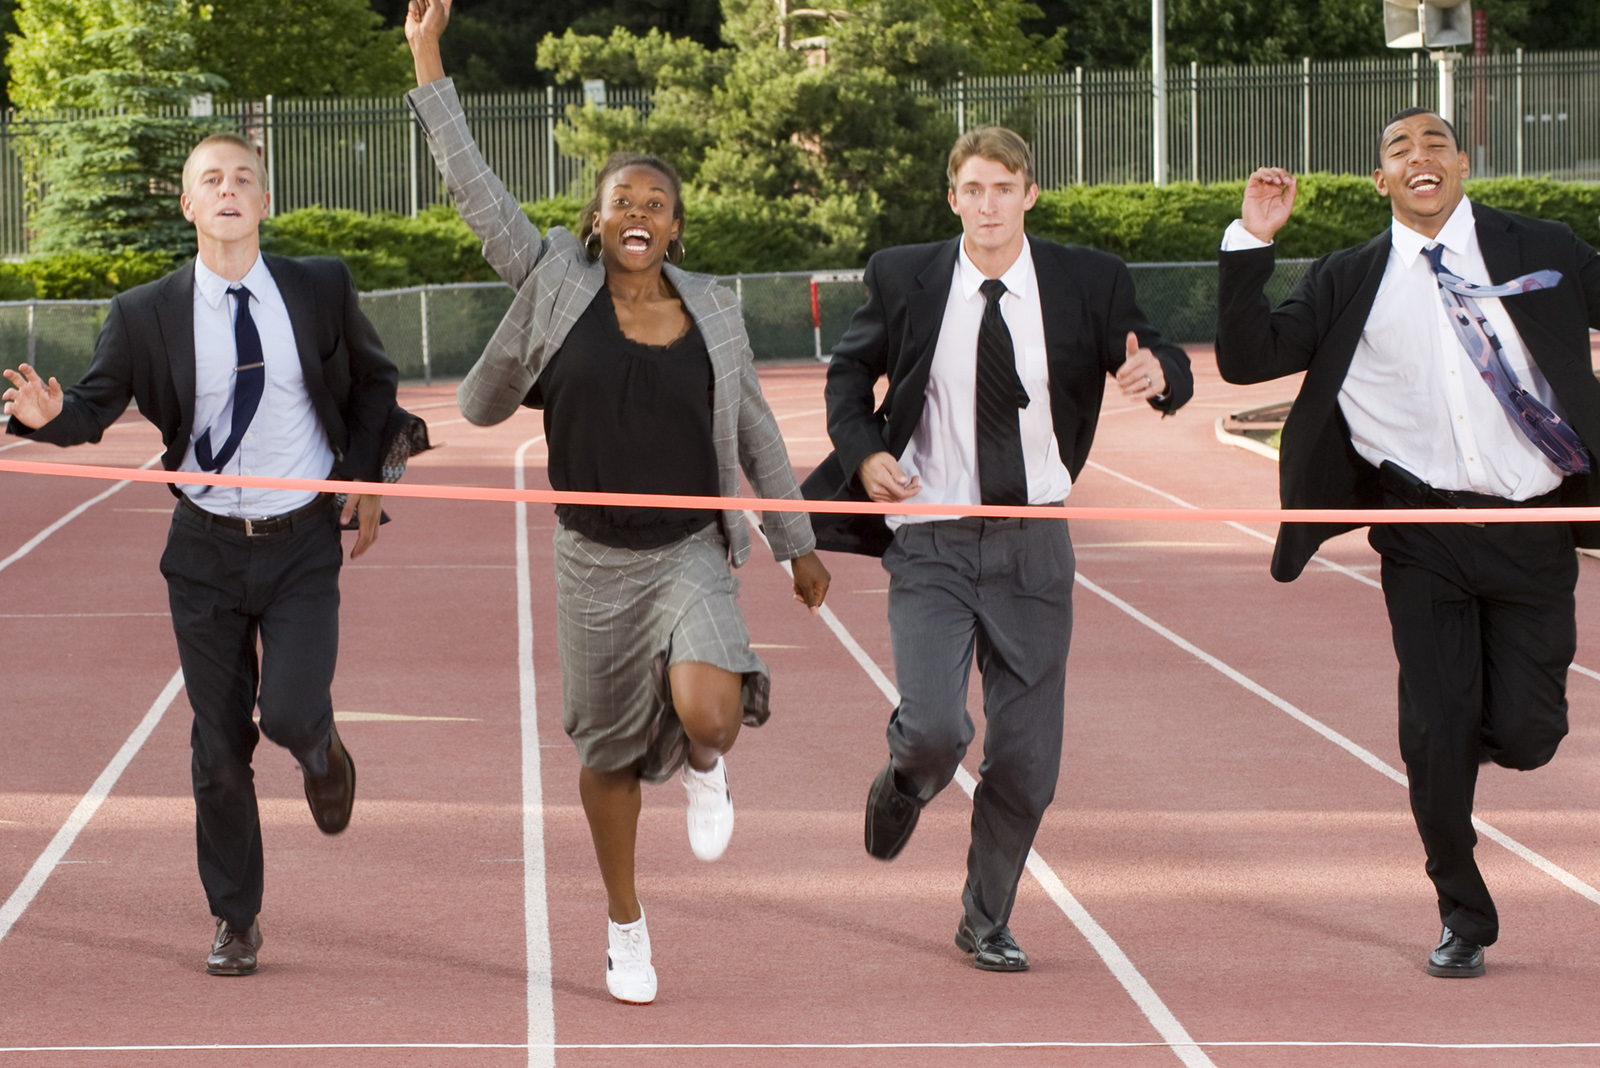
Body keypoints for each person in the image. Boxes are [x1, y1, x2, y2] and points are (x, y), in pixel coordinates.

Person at [403, 0, 831, 1006]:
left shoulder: (714, 310)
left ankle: (706, 762)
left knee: (709, 709)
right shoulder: (553, 279)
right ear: (596, 220)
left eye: (656, 203)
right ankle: (625, 928)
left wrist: (795, 542)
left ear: (676, 226)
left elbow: (759, 437)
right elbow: (476, 193)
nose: (637, 212)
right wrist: (429, 61)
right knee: (601, 754)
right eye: (620, 200)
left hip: (689, 548)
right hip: (590, 558)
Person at [2, 133, 425, 976]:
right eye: (210, 181)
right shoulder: (144, 312)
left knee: (291, 714)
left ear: (264, 202)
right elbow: (91, 405)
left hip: (301, 540)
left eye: (243, 180)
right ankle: (237, 918)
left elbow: (375, 385)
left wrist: (368, 477)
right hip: (203, 551)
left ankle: (321, 748)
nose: (228, 190)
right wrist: (47, 421)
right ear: (188, 206)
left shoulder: (320, 288)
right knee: (218, 747)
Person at [1215, 108, 1600, 978]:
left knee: (1531, 733)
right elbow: (1246, 359)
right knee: (1437, 729)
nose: (1419, 158)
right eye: (1399, 150)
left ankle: (1471, 724)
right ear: (1381, 181)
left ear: (1462, 164)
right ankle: (1462, 912)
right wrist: (1251, 239)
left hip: (1531, 524)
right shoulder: (1348, 275)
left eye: (1435, 145)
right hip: (1419, 529)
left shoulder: (1542, 243)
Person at [803, 127, 1193, 971]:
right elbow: (848, 375)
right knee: (937, 729)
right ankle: (906, 777)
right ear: (953, 199)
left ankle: (986, 917)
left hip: (1035, 545)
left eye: (1003, 189)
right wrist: (865, 451)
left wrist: (1160, 374)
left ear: (1029, 193)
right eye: (972, 190)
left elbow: (1159, 351)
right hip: (931, 538)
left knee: (1026, 762)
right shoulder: (905, 274)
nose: (988, 205)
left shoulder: (1089, 279)